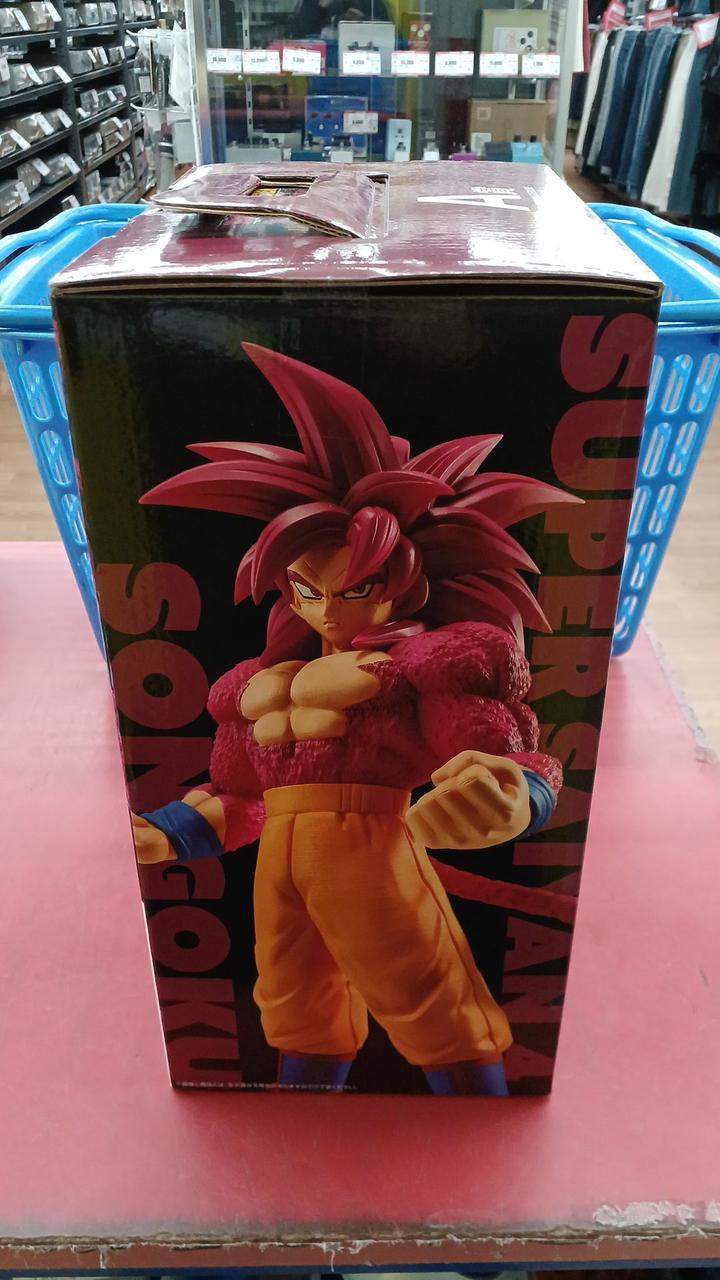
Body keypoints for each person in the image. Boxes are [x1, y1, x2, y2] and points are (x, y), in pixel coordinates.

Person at [132, 342, 578, 1095]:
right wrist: (171, 831)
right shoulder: (260, 684)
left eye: (358, 588)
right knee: (295, 1005)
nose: (327, 609)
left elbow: (508, 753)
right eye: (307, 590)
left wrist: (511, 794)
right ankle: (304, 1105)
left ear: (406, 581)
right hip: (280, 862)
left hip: (371, 846)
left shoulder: (423, 662)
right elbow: (239, 797)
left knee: (430, 1000)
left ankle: (478, 1114)